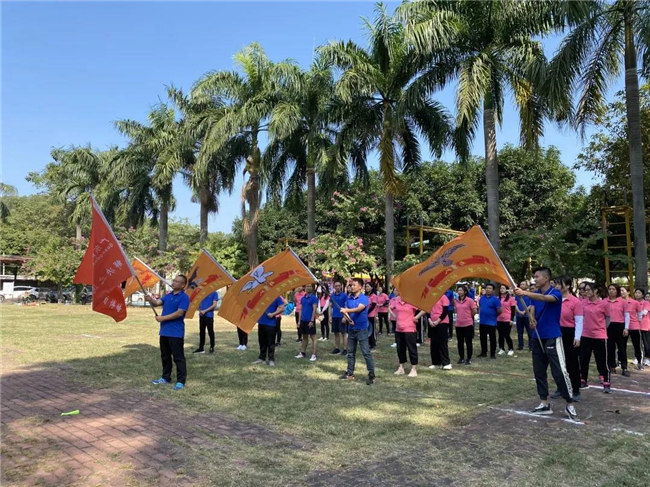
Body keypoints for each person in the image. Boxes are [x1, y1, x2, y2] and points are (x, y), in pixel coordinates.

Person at [515, 268, 577, 420]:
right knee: (539, 371)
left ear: (546, 278)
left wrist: (525, 293)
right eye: (534, 277)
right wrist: (532, 319)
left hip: (552, 337)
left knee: (559, 372)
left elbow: (546, 300)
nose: (534, 279)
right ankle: (544, 403)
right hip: (537, 337)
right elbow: (534, 307)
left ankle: (570, 403)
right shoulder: (536, 295)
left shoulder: (555, 293)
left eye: (537, 276)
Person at [146, 275, 190, 390]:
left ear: (182, 285)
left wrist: (163, 318)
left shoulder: (184, 297)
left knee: (178, 357)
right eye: (174, 280)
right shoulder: (168, 295)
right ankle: (165, 377)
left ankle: (181, 381)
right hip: (164, 331)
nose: (174, 283)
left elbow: (179, 313)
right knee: (165, 356)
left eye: (177, 281)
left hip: (176, 332)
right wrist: (150, 299)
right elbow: (157, 303)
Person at [340, 278, 375, 385]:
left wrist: (347, 311)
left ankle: (371, 375)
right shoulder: (349, 299)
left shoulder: (364, 298)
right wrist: (346, 317)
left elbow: (359, 309)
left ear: (360, 287)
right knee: (350, 353)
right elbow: (345, 312)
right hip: (351, 329)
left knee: (366, 352)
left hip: (362, 329)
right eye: (351, 285)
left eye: (354, 285)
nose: (352, 287)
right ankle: (350, 373)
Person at [554, 276, 583, 402]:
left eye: (558, 284)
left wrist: (577, 337)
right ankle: (561, 388)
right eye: (555, 284)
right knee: (558, 363)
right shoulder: (554, 299)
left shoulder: (575, 302)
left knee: (572, 363)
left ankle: (575, 389)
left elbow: (579, 321)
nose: (556, 287)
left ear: (567, 286)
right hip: (556, 332)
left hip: (569, 333)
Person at [579, 282, 612, 392]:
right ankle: (583, 379)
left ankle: (606, 382)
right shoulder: (583, 303)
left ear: (596, 291)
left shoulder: (604, 304)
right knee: (584, 359)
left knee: (602, 360)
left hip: (599, 336)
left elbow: (608, 318)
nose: (586, 292)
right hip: (585, 335)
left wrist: (602, 328)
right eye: (585, 290)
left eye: (588, 290)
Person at [389, 286, 418, 377]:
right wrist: (394, 315)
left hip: (409, 329)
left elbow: (424, 309)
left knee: (411, 349)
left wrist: (416, 317)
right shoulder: (396, 300)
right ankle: (401, 367)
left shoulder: (412, 301)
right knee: (400, 349)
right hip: (398, 328)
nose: (398, 292)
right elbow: (389, 308)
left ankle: (414, 368)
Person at [606, 284, 630, 376]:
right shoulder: (605, 301)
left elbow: (627, 315)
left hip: (620, 325)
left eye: (613, 289)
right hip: (609, 326)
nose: (611, 291)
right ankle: (612, 366)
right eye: (610, 289)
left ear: (617, 291)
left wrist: (626, 328)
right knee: (610, 348)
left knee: (622, 348)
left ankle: (624, 367)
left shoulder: (623, 302)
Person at [253, 296, 285, 366]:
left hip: (271, 324)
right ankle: (262, 358)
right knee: (261, 341)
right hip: (261, 322)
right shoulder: (261, 296)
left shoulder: (276, 297)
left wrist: (273, 314)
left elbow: (282, 308)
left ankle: (271, 359)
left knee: (271, 342)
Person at [424, 293, 452, 370]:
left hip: (442, 322)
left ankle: (446, 363)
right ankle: (435, 362)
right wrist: (429, 320)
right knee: (433, 343)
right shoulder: (430, 298)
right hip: (432, 323)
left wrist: (437, 321)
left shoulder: (443, 297)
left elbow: (445, 311)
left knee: (442, 342)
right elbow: (427, 310)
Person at [454, 284, 477, 365]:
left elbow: (474, 311)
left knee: (468, 342)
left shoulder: (470, 300)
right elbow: (456, 311)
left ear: (465, 292)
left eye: (461, 290)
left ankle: (469, 358)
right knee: (460, 342)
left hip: (468, 324)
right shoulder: (456, 301)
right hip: (458, 324)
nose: (459, 292)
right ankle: (461, 357)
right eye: (458, 290)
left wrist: (468, 317)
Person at [477, 283, 501, 359]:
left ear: (493, 290)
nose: (488, 289)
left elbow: (500, 310)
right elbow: (480, 307)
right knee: (482, 338)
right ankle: (483, 352)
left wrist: (493, 315)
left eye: (490, 288)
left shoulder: (495, 299)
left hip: (491, 322)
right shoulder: (482, 298)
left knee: (492, 339)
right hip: (482, 322)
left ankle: (492, 354)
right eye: (487, 288)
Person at [295, 284, 318, 361]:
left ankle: (314, 354)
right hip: (303, 320)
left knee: (313, 337)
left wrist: (312, 320)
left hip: (310, 320)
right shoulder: (303, 298)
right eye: (307, 286)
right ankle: (302, 352)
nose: (308, 288)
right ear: (305, 288)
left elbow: (314, 310)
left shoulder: (314, 298)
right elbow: (300, 309)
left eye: (310, 286)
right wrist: (299, 321)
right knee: (304, 337)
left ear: (312, 288)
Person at [628, 288, 645, 369]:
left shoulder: (635, 303)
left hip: (634, 327)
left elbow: (640, 315)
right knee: (621, 345)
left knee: (637, 345)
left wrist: (636, 321)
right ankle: (620, 361)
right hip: (625, 327)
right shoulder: (621, 302)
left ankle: (639, 362)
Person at [496, 284, 516, 356]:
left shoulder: (511, 299)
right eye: (501, 288)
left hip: (507, 319)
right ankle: (501, 348)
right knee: (500, 335)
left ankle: (511, 348)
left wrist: (511, 319)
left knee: (506, 335)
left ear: (506, 289)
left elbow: (513, 310)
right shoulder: (498, 298)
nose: (501, 289)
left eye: (503, 288)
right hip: (499, 319)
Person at [330, 281, 348, 356]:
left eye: (339, 285)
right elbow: (330, 306)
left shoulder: (344, 296)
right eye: (336, 286)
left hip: (342, 317)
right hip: (334, 316)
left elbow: (347, 307)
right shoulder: (332, 296)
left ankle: (345, 349)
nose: (337, 287)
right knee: (336, 333)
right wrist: (330, 316)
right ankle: (337, 348)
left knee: (344, 333)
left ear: (341, 287)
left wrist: (345, 316)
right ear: (334, 287)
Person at [515, 280, 532, 351]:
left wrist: (524, 312)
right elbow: (515, 304)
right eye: (521, 284)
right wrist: (519, 312)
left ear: (526, 286)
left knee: (529, 332)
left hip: (527, 316)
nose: (522, 286)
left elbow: (531, 305)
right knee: (520, 332)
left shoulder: (529, 294)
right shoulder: (517, 295)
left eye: (523, 284)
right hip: (519, 316)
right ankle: (520, 345)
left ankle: (531, 346)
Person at [365, 282, 378, 349]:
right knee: (366, 329)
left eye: (368, 286)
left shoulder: (374, 296)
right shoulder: (365, 296)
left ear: (372, 287)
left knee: (372, 330)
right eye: (366, 286)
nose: (367, 288)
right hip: (365, 315)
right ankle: (368, 343)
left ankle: (373, 343)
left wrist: (367, 312)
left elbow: (373, 306)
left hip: (371, 315)